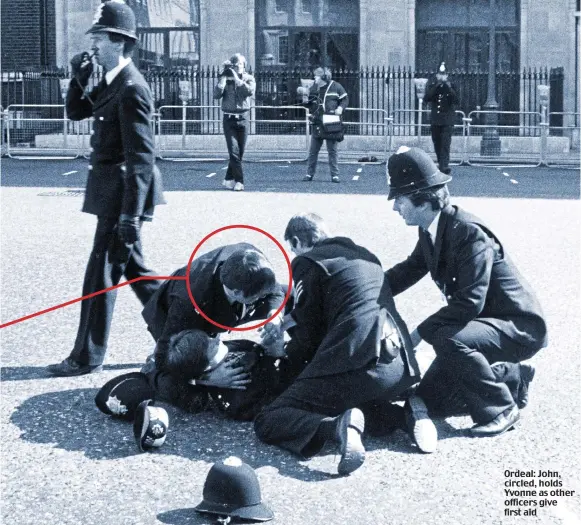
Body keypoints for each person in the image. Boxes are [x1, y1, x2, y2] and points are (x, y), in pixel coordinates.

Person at [254, 213, 437, 477]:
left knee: (270, 418)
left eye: (292, 247)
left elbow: (309, 333)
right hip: (398, 365)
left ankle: (337, 427)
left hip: (357, 361)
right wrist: (287, 321)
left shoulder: (307, 261)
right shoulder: (364, 256)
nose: (293, 253)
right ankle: (406, 415)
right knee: (353, 399)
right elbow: (338, 308)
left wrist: (282, 357)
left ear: (297, 241)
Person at [384, 146, 548, 437]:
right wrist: (366, 290)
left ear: (422, 201)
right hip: (483, 325)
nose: (395, 207)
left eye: (399, 199)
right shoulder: (431, 228)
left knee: (445, 337)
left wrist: (418, 334)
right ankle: (511, 378)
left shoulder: (468, 232)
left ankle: (501, 408)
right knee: (430, 399)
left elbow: (469, 302)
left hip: (518, 326)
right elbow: (408, 270)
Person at [48, 1, 165, 377]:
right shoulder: (113, 80)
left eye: (98, 37)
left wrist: (131, 216)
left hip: (122, 197)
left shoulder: (132, 87)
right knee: (138, 273)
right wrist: (77, 78)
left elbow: (141, 157)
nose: (93, 44)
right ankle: (178, 332)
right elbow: (78, 112)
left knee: (100, 274)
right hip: (113, 194)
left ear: (119, 41)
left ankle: (86, 356)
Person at [141, 243, 286, 385]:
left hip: (226, 306)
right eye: (258, 297)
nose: (263, 298)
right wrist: (207, 378)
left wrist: (275, 316)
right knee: (177, 368)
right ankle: (150, 370)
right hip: (179, 316)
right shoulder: (188, 305)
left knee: (292, 297)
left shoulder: (253, 259)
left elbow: (275, 291)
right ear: (236, 292)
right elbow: (164, 357)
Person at [213, 53, 256, 192]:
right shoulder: (225, 79)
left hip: (243, 118)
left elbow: (248, 92)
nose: (238, 67)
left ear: (244, 66)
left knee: (240, 152)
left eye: (240, 65)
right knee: (233, 151)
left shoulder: (249, 78)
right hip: (229, 119)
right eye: (235, 65)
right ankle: (239, 181)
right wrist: (223, 79)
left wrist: (237, 78)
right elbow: (216, 96)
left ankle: (228, 179)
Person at [300, 67, 348, 183]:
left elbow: (345, 99)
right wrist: (305, 101)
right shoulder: (313, 88)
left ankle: (335, 175)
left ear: (323, 77)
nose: (314, 78)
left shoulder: (336, 86)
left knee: (332, 150)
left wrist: (340, 108)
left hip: (331, 122)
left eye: (316, 76)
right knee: (313, 151)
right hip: (317, 122)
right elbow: (310, 104)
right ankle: (309, 174)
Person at [423, 62, 459, 175]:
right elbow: (427, 98)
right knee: (437, 143)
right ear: (437, 75)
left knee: (445, 143)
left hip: (447, 120)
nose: (442, 76)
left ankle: (444, 166)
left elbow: (456, 100)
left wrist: (448, 87)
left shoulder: (452, 86)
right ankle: (440, 162)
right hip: (436, 119)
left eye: (444, 74)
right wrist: (437, 85)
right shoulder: (433, 85)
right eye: (440, 74)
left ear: (447, 75)